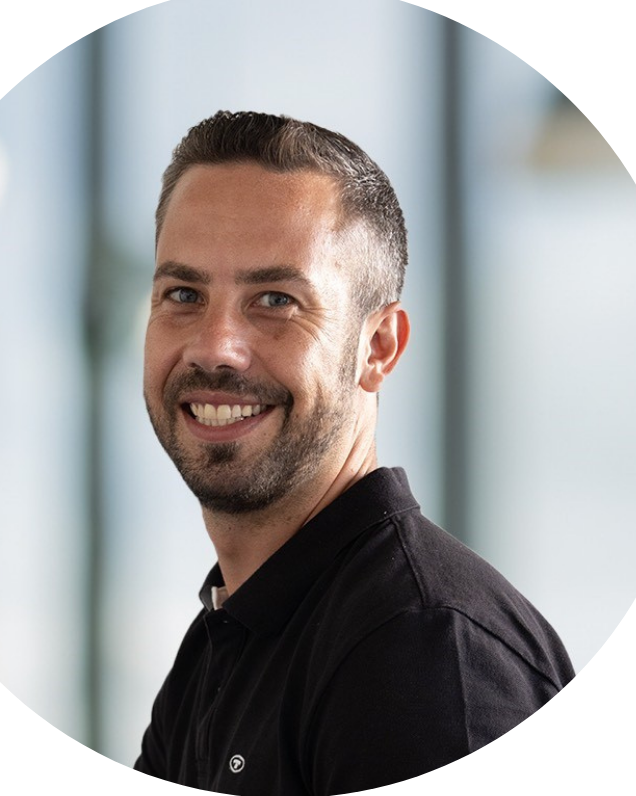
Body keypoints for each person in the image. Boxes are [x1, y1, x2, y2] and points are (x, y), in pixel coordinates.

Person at [135, 110, 574, 793]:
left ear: (378, 348)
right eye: (183, 294)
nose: (214, 346)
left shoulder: (419, 651)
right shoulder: (222, 645)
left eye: (275, 299)